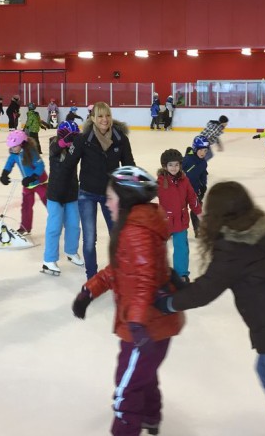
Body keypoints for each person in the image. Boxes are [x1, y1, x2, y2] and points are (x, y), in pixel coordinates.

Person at [155, 181, 265, 436]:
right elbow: (210, 283)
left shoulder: (232, 248)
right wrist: (181, 286)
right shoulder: (253, 232)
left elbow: (206, 290)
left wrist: (168, 303)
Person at [72, 166, 185, 436]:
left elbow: (144, 280)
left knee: (126, 389)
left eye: (111, 197)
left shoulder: (135, 232)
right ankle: (150, 416)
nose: (107, 203)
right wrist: (90, 291)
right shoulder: (137, 225)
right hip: (153, 325)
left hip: (146, 327)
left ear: (125, 199)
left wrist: (136, 323)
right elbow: (120, 269)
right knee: (142, 376)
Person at [57, 101, 135, 279]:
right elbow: (68, 165)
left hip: (111, 195)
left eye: (107, 115)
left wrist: (132, 192)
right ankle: (92, 276)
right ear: (92, 118)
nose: (104, 119)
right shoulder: (83, 139)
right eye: (100, 116)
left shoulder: (120, 138)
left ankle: (120, 274)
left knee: (118, 237)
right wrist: (61, 189)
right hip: (87, 194)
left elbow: (129, 166)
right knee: (90, 239)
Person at [42, 121, 83, 276]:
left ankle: (71, 252)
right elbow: (55, 148)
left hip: (71, 193)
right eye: (71, 136)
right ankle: (49, 260)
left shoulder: (75, 147)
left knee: (73, 225)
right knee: (54, 227)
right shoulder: (53, 142)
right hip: (55, 194)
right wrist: (65, 141)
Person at [157, 149, 201, 282]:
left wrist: (199, 212)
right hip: (164, 222)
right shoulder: (160, 182)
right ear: (164, 166)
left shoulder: (184, 180)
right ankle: (158, 273)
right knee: (158, 248)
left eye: (176, 165)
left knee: (182, 248)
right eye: (170, 165)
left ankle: (181, 274)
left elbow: (192, 197)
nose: (174, 168)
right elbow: (146, 194)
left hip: (181, 221)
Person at [0, 130, 48, 236]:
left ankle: (59, 219)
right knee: (26, 205)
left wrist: (33, 177)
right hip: (28, 184)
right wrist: (4, 174)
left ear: (22, 144)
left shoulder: (31, 152)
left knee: (48, 202)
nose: (12, 149)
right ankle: (25, 227)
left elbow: (40, 166)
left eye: (14, 146)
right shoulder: (14, 154)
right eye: (11, 147)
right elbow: (9, 163)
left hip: (40, 182)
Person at [182, 136, 210, 237]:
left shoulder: (203, 163)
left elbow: (203, 175)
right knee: (180, 210)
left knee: (197, 209)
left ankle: (197, 230)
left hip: (195, 190)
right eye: (201, 150)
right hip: (182, 191)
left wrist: (203, 187)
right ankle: (174, 228)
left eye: (205, 150)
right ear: (195, 149)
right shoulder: (187, 160)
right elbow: (176, 171)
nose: (203, 153)